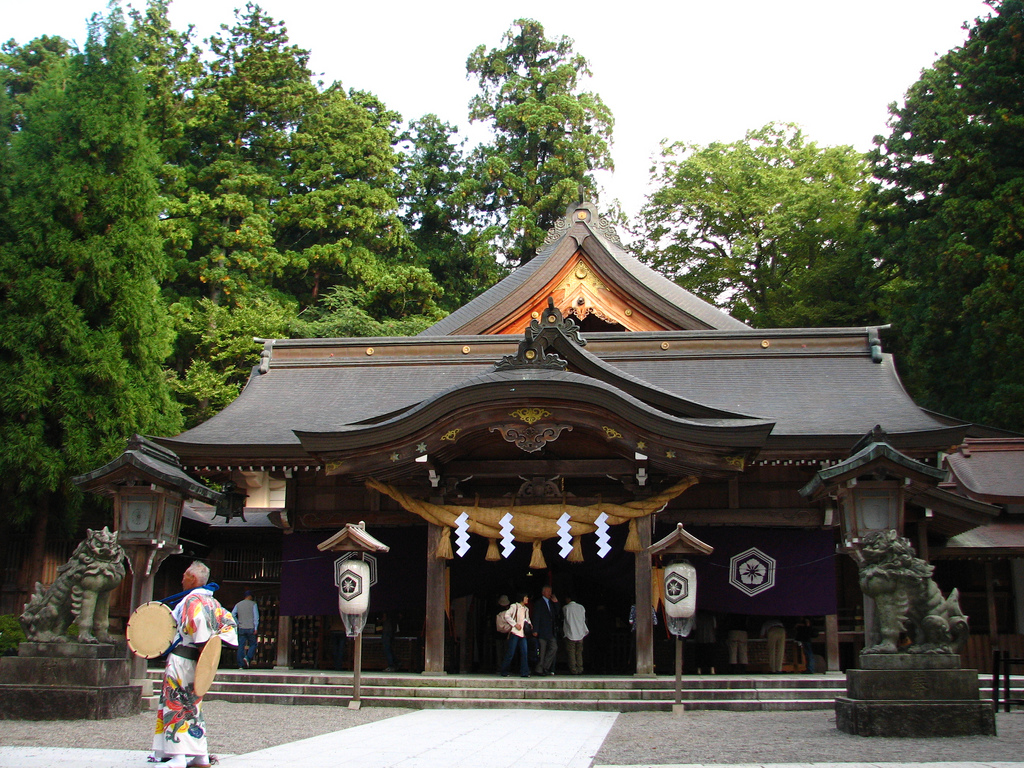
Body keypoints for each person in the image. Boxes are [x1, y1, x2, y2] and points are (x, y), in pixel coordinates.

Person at [152, 561, 237, 768]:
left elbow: (198, 628)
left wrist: (202, 651)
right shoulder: (213, 602)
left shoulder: (193, 600)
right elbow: (228, 626)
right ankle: (200, 756)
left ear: (192, 578)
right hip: (197, 659)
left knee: (177, 704)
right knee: (192, 706)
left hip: (184, 659)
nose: (181, 579)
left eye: (184, 576)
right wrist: (206, 659)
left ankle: (178, 757)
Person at [498, 593, 531, 678]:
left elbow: (527, 619)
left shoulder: (526, 609)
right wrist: (515, 624)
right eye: (526, 597)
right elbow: (507, 615)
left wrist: (530, 625)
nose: (527, 598)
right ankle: (504, 670)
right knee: (511, 652)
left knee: (524, 652)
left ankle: (524, 672)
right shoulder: (514, 606)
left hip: (522, 634)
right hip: (515, 632)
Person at [532, 585, 561, 676]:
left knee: (554, 647)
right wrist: (535, 630)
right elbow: (536, 616)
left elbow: (557, 613)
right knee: (542, 651)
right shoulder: (539, 603)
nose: (549, 593)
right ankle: (539, 670)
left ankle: (544, 666)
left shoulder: (551, 603)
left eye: (550, 591)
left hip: (550, 631)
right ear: (543, 593)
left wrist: (556, 602)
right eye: (548, 591)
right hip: (542, 630)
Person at [231, 590, 259, 669]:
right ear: (250, 596)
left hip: (241, 627)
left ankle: (241, 664)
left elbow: (233, 614)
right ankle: (247, 658)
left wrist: (237, 623)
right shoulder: (253, 604)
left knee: (241, 646)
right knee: (253, 644)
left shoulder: (238, 604)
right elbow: (256, 617)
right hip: (250, 627)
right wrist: (256, 627)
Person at [562, 595, 588, 675]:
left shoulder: (566, 608)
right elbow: (584, 619)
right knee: (579, 652)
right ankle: (580, 668)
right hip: (580, 632)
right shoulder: (581, 607)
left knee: (571, 652)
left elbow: (565, 619)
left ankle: (573, 669)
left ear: (568, 599)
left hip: (570, 632)